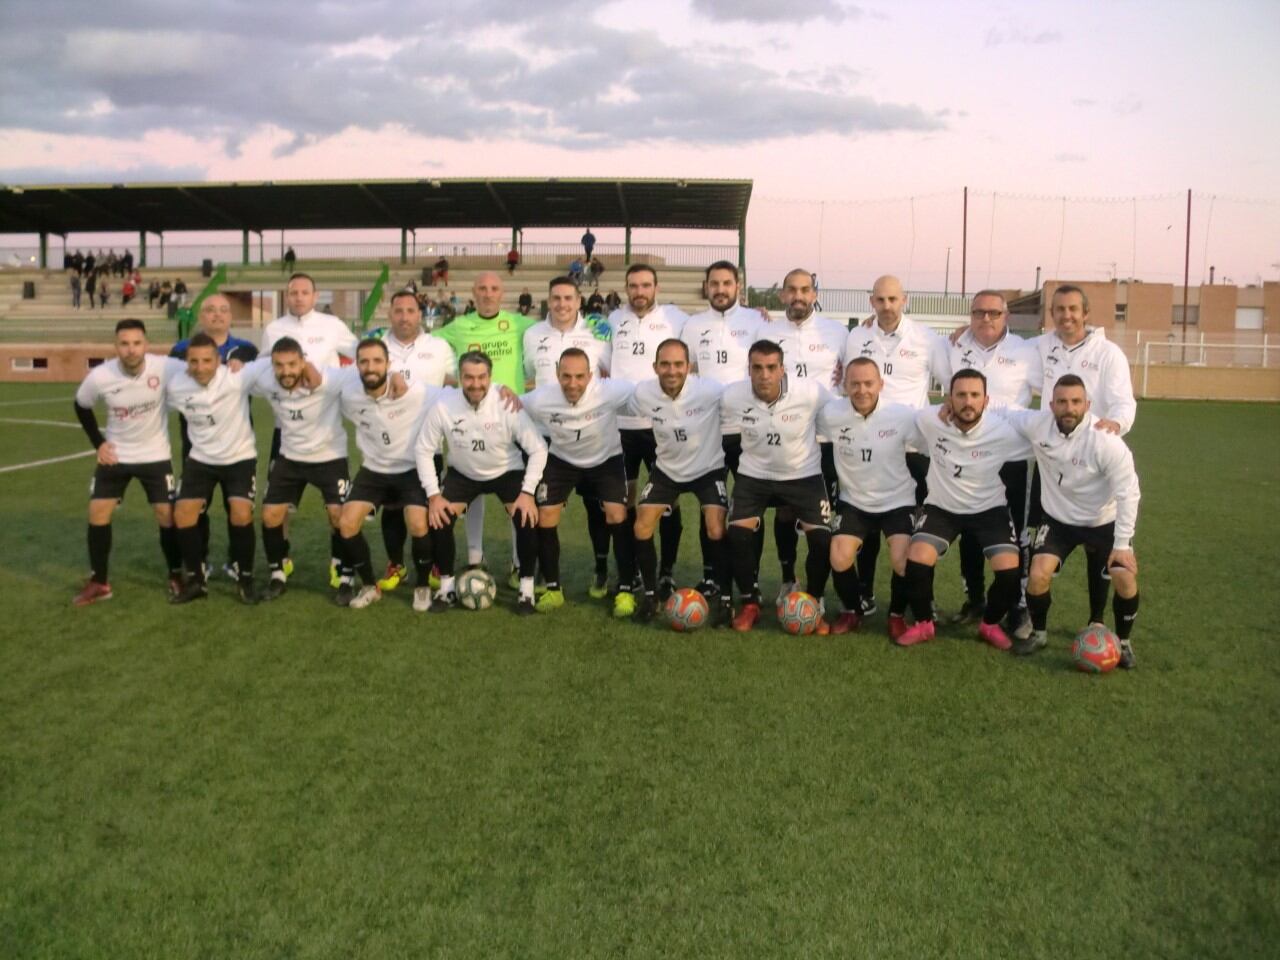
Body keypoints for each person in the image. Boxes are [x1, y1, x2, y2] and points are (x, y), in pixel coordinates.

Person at [996, 375, 1141, 666]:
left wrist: (1122, 545)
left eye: (1076, 402)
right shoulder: (1039, 425)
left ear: (1087, 405)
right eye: (1062, 402)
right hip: (1059, 520)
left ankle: (1123, 643)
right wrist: (949, 405)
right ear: (1051, 404)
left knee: (1124, 575)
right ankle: (1039, 633)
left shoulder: (1106, 442)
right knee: (1037, 574)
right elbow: (1002, 410)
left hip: (1103, 520)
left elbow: (1129, 493)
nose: (1069, 408)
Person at [896, 369, 1033, 649]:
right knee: (917, 558)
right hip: (942, 508)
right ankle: (923, 624)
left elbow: (1045, 442)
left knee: (1009, 569)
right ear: (949, 399)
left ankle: (990, 624)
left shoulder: (1004, 432)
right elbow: (902, 416)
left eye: (974, 395)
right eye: (961, 395)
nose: (968, 402)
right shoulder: (930, 421)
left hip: (989, 510)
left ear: (986, 400)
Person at [1029, 284, 1137, 628]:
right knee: (1038, 553)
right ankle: (1033, 619)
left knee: (1101, 559)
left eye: (1073, 309)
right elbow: (1004, 351)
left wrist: (1115, 425)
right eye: (1059, 309)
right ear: (1052, 314)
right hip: (1054, 458)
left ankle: (1098, 622)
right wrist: (964, 333)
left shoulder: (1108, 353)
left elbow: (1124, 401)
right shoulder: (1042, 346)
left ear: (1086, 313)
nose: (1066, 315)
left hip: (1095, 458)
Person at [843, 274, 949, 614]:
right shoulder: (857, 336)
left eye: (893, 299)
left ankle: (920, 597)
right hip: (868, 444)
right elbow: (846, 381)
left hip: (912, 449)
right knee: (866, 525)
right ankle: (865, 593)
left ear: (905, 300)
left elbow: (949, 384)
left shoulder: (927, 338)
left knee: (915, 532)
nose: (886, 306)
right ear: (871, 301)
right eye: (880, 300)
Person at [417, 351, 548, 615]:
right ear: (460, 377)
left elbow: (538, 448)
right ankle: (446, 587)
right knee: (439, 518)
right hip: (463, 473)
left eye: (481, 377)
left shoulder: (506, 403)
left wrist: (527, 492)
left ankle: (526, 591)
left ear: (490, 377)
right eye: (468, 377)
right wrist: (433, 496)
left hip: (506, 470)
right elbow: (423, 449)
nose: (475, 384)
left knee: (526, 517)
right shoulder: (444, 405)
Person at [941, 290, 1040, 635]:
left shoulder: (1028, 352)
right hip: (965, 453)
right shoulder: (952, 345)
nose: (986, 319)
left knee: (1016, 534)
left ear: (1006, 316)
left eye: (994, 313)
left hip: (1010, 458)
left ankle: (1018, 607)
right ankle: (975, 600)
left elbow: (1055, 388)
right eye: (979, 312)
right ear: (970, 315)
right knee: (969, 528)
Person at [431, 271, 539, 580]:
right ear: (473, 293)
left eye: (494, 288)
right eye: (482, 288)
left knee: (516, 497)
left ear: (502, 293)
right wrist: (452, 380)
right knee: (471, 488)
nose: (489, 293)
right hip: (471, 414)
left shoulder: (520, 324)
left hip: (512, 418)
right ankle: (475, 557)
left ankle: (519, 563)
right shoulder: (459, 326)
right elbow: (427, 349)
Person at [722, 340, 834, 632]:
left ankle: (814, 601)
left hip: (803, 474)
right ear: (748, 369)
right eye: (757, 368)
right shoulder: (733, 395)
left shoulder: (810, 392)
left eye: (771, 367)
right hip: (753, 475)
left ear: (783, 369)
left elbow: (841, 411)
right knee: (736, 534)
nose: (764, 375)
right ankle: (750, 602)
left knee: (822, 540)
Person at [71, 319, 183, 605]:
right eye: (124, 344)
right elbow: (81, 405)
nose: (131, 350)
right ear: (116, 346)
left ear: (146, 344)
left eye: (136, 343)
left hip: (155, 454)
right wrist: (99, 443)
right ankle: (99, 582)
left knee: (166, 515)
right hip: (117, 456)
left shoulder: (166, 367)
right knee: (97, 511)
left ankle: (176, 574)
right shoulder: (100, 376)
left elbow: (201, 369)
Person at [521, 348, 639, 617]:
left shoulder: (610, 391)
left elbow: (643, 392)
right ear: (557, 375)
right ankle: (553, 588)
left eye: (579, 376)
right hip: (562, 460)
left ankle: (625, 589)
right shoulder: (541, 399)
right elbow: (513, 403)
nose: (572, 383)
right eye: (566, 376)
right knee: (546, 515)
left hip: (606, 460)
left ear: (590, 375)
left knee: (616, 513)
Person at [624, 339, 729, 624]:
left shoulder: (710, 390)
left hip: (708, 468)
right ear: (655, 367)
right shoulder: (642, 393)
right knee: (642, 523)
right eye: (665, 364)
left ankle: (724, 597)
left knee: (715, 526)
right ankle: (650, 596)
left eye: (678, 364)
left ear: (689, 367)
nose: (672, 370)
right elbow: (608, 399)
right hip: (667, 470)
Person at [261, 273, 359, 580]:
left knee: (336, 511)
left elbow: (359, 354)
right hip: (286, 430)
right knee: (278, 508)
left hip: (325, 427)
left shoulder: (332, 326)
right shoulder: (274, 328)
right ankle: (282, 560)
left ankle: (338, 566)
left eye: (305, 292)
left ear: (315, 296)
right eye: (293, 293)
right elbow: (264, 365)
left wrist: (330, 380)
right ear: (287, 296)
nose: (299, 297)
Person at [817, 358, 923, 638]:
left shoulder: (902, 416)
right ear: (844, 385)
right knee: (839, 556)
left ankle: (897, 614)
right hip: (855, 501)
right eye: (854, 384)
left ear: (881, 385)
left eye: (868, 383)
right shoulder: (830, 414)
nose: (861, 390)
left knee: (902, 560)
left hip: (898, 499)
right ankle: (853, 611)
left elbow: (932, 434)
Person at [336, 339, 445, 610]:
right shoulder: (349, 395)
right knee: (346, 523)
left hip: (411, 469)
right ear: (356, 365)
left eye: (377, 361)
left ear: (388, 364)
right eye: (364, 361)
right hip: (374, 470)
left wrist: (502, 391)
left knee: (418, 523)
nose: (370, 367)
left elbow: (453, 394)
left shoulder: (414, 392)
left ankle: (421, 586)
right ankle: (370, 586)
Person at [365, 290, 458, 592]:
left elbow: (455, 384)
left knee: (428, 510)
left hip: (427, 446)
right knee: (392, 509)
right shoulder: (376, 349)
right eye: (398, 310)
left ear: (421, 314)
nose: (404, 316)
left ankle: (430, 563)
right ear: (390, 314)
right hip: (387, 448)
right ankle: (396, 565)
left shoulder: (439, 346)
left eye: (410, 311)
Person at [763, 268, 847, 602]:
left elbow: (856, 373)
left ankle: (818, 591)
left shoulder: (838, 332)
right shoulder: (764, 329)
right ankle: (787, 578)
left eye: (805, 290)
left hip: (826, 441)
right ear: (782, 294)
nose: (798, 296)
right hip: (786, 439)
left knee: (823, 520)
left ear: (814, 294)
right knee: (785, 512)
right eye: (791, 290)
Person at [245, 337, 349, 602]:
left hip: (329, 457)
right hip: (289, 458)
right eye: (279, 365)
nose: (286, 371)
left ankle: (342, 574)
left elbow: (359, 376)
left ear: (303, 361)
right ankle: (278, 573)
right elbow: (235, 373)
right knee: (270, 515)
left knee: (339, 517)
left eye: (292, 364)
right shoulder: (265, 377)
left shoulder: (328, 378)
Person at [608, 264, 690, 599]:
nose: (639, 291)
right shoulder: (612, 321)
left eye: (645, 285)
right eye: (633, 286)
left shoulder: (677, 319)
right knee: (625, 501)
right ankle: (633, 572)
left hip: (661, 426)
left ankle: (667, 571)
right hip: (622, 427)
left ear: (656, 287)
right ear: (626, 288)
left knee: (668, 500)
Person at [682, 260, 761, 597]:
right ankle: (713, 577)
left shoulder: (757, 321)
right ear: (706, 287)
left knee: (749, 509)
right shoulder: (693, 325)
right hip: (709, 431)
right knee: (710, 506)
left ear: (737, 286)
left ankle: (750, 580)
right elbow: (687, 371)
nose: (720, 289)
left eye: (726, 283)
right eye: (714, 283)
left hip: (747, 432)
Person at [165, 333, 261, 605]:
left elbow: (270, 361)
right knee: (183, 514)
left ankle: (246, 580)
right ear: (186, 363)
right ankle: (196, 580)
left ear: (218, 360)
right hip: (201, 459)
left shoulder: (237, 378)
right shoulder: (177, 386)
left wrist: (242, 360)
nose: (200, 367)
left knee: (241, 514)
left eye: (207, 360)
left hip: (239, 458)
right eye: (193, 361)